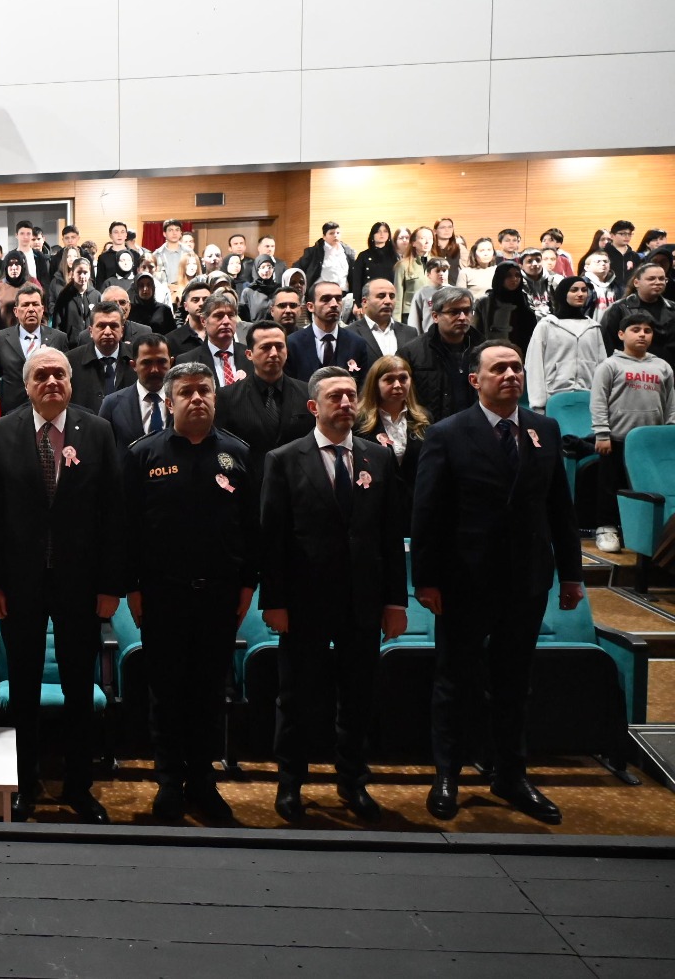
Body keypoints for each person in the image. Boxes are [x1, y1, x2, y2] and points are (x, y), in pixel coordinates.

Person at [413, 341, 584, 825]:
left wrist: (572, 573)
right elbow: (427, 514)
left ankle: (510, 774)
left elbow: (559, 507)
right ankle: (447, 775)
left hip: (526, 578)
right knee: (454, 681)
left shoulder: (544, 429)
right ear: (475, 381)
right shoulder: (447, 433)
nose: (511, 375)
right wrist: (426, 580)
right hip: (465, 580)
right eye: (499, 368)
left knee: (514, 684)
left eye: (516, 368)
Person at [0, 348, 123, 823]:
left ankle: (79, 787)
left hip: (81, 584)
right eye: (41, 375)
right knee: (22, 688)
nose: (52, 381)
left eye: (60, 373)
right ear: (27, 385)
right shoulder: (2, 432)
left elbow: (112, 514)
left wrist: (110, 586)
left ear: (71, 382)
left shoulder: (97, 431)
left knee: (80, 687)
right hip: (19, 585)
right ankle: (23, 784)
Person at [260, 367, 408, 824]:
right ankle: (291, 784)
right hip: (303, 601)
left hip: (362, 600)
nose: (346, 403)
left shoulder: (378, 457)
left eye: (350, 396)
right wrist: (274, 601)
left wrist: (395, 601)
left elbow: (390, 536)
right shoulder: (284, 459)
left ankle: (353, 782)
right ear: (313, 407)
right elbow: (272, 538)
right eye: (335, 397)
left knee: (359, 697)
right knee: (296, 698)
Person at [124, 362, 257, 823]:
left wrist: (247, 586)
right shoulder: (144, 454)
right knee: (166, 694)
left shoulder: (238, 453)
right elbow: (129, 528)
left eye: (205, 390)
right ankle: (168, 783)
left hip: (219, 596)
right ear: (169, 402)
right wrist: (133, 589)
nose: (197, 398)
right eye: (187, 392)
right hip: (163, 595)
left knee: (209, 693)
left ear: (215, 398)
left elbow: (251, 529)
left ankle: (202, 781)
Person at [589, 311, 675, 554]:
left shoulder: (662, 366)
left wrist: (670, 430)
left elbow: (671, 401)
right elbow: (598, 400)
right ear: (621, 334)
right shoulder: (610, 365)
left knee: (645, 489)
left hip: (649, 445)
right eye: (635, 330)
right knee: (610, 486)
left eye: (647, 331)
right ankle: (606, 528)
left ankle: (646, 532)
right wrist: (602, 433)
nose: (642, 335)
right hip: (616, 439)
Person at [213, 320, 316, 488]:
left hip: (299, 486)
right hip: (250, 488)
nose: (274, 353)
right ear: (249, 354)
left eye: (279, 346)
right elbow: (222, 449)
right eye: (266, 347)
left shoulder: (307, 393)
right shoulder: (227, 397)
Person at [401, 287, 483, 423]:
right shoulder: (411, 352)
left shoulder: (483, 349)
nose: (462, 317)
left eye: (467, 311)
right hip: (428, 428)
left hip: (474, 427)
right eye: (454, 312)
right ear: (435, 316)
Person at [355, 354, 431, 502]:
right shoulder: (358, 421)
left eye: (403, 378)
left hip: (414, 501)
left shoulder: (424, 419)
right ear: (375, 383)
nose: (397, 385)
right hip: (375, 501)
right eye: (389, 379)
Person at [526, 277, 608, 412]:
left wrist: (602, 399)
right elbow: (534, 365)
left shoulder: (593, 328)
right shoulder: (547, 325)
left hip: (588, 397)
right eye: (574, 290)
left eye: (584, 290)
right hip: (554, 396)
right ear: (563, 293)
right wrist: (538, 403)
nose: (580, 294)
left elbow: (602, 365)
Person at [0, 287, 69, 415]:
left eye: (35, 304)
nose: (31, 309)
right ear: (16, 311)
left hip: (50, 410)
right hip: (12, 413)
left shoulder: (59, 338)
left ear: (42, 309)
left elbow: (67, 378)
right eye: (25, 305)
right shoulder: (0, 339)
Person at [286, 280, 370, 384]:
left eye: (338, 299)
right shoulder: (293, 343)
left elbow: (362, 386)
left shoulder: (357, 343)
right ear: (310, 306)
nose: (334, 304)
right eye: (326, 299)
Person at [99, 332, 171, 449]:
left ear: (171, 363)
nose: (154, 370)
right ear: (133, 365)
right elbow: (102, 449)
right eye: (146, 363)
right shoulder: (112, 404)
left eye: (161, 362)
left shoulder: (183, 400)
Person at [601, 262, 674, 367]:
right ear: (636, 282)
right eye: (651, 279)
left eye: (662, 279)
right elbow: (607, 344)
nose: (658, 282)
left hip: (668, 369)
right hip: (630, 370)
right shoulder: (619, 308)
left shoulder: (672, 308)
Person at [67, 301, 137, 413]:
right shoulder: (70, 361)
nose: (108, 332)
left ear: (122, 331)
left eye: (114, 326)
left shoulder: (137, 358)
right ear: (90, 331)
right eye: (101, 326)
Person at [175, 292, 252, 388]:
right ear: (203, 320)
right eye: (219, 316)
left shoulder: (251, 356)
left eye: (231, 315)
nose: (226, 321)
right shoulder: (187, 361)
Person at [347, 278, 419, 366]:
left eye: (392, 296)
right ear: (365, 302)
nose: (388, 301)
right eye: (381, 296)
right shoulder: (349, 333)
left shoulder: (410, 333)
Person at [472, 260, 538, 356]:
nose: (514, 279)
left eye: (517, 275)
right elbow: (476, 332)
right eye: (508, 276)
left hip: (520, 353)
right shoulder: (485, 301)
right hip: (491, 353)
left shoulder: (524, 299)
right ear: (500, 277)